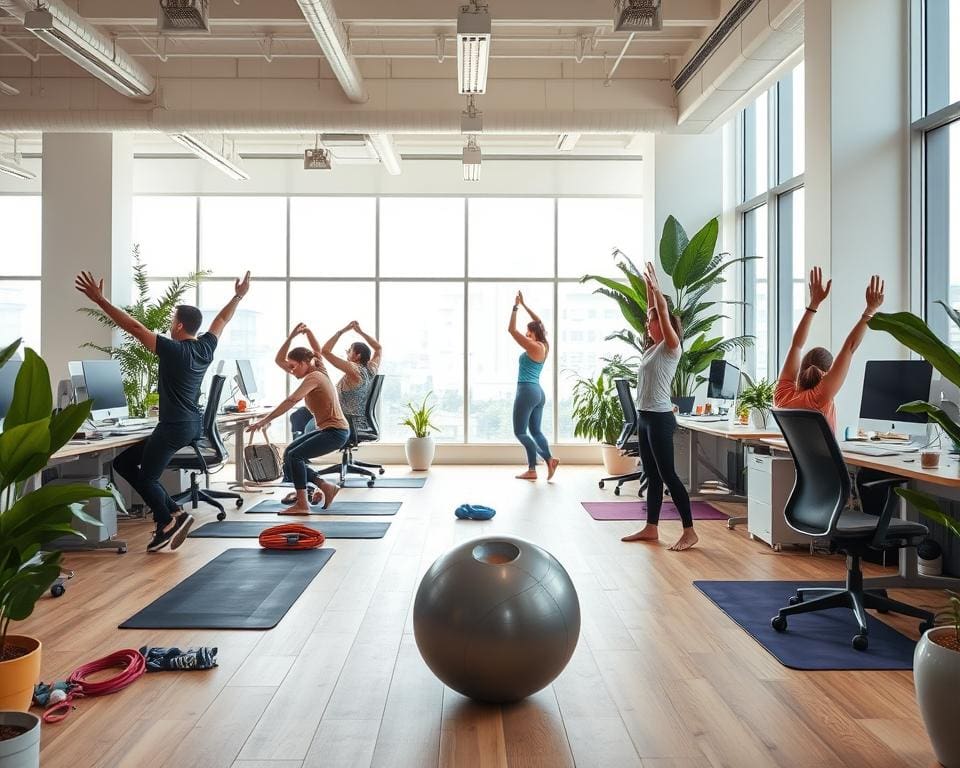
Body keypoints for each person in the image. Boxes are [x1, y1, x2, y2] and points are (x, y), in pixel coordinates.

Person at [75, 270, 251, 553]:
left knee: (147, 479)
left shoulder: (173, 350)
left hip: (173, 427)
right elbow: (221, 320)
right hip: (190, 425)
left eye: (171, 321)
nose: (169, 325)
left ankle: (167, 520)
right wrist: (238, 296)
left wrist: (101, 300)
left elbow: (134, 328)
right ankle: (174, 516)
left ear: (179, 326)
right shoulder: (205, 348)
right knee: (123, 464)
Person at [621, 263, 698, 552]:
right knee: (652, 475)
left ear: (664, 327)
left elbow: (662, 313)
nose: (647, 325)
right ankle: (651, 528)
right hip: (645, 418)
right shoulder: (652, 349)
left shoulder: (671, 347)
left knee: (668, 475)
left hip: (661, 418)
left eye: (650, 322)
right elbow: (654, 311)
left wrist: (657, 291)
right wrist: (648, 291)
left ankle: (689, 531)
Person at [248, 323, 350, 515]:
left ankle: (303, 504)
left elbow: (291, 399)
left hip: (335, 433)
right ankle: (324, 486)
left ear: (305, 363)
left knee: (295, 456)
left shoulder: (314, 377)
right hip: (331, 430)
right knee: (289, 454)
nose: (291, 370)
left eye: (294, 366)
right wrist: (294, 336)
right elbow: (282, 359)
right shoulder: (319, 368)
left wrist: (265, 420)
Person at [774, 268, 885, 433]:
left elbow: (796, 346)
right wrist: (870, 309)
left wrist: (813, 304)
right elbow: (849, 348)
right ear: (826, 373)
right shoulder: (820, 397)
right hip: (823, 460)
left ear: (802, 368)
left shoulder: (782, 396)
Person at [508, 291, 559, 481]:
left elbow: (511, 330)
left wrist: (515, 308)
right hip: (538, 393)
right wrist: (525, 304)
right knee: (535, 431)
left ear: (533, 332)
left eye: (528, 331)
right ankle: (533, 470)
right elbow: (538, 322)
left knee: (520, 432)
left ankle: (547, 459)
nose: (526, 333)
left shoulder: (532, 346)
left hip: (527, 391)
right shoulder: (544, 346)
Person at [321, 320, 382, 431]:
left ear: (357, 356)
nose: (346, 353)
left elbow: (325, 351)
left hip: (346, 422)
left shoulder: (354, 368)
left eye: (349, 351)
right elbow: (378, 348)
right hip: (361, 422)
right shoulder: (371, 369)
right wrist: (360, 332)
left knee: (305, 417)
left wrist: (342, 331)